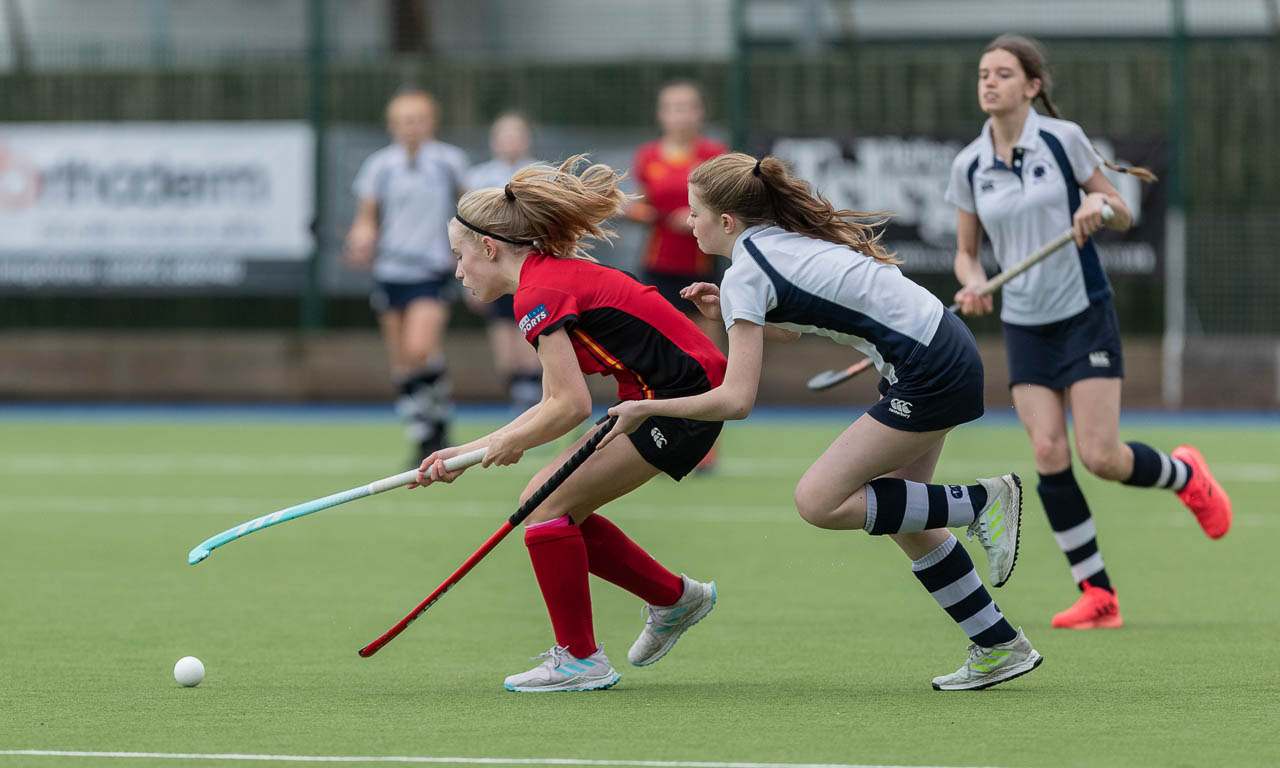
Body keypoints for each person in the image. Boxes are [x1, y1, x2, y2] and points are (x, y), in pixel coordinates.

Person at [603, 152, 1043, 691]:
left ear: (725, 222)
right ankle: (999, 644)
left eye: (694, 212)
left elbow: (736, 401)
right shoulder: (773, 249)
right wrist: (732, 312)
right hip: (940, 352)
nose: (687, 221)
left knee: (819, 500)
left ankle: (982, 502)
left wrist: (648, 407)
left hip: (931, 367)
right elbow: (793, 325)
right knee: (907, 517)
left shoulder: (748, 269)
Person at [946, 34, 1232, 630]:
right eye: (983, 74)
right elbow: (966, 252)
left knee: (1100, 455)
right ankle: (1097, 592)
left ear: (1032, 86)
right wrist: (973, 283)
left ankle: (1186, 476)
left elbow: (1121, 208)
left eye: (1002, 73)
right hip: (1024, 321)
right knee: (1048, 450)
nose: (989, 82)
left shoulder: (1063, 139)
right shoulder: (969, 164)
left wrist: (1098, 209)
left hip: (1082, 312)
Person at [412, 156, 726, 693]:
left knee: (544, 505)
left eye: (460, 257)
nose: (458, 271)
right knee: (552, 505)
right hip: (656, 396)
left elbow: (569, 406)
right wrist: (462, 455)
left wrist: (506, 442)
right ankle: (675, 598)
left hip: (681, 401)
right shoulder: (542, 281)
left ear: (489, 248)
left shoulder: (538, 294)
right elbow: (550, 404)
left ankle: (581, 659)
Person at [346, 86, 467, 467]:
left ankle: (433, 427)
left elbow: (469, 211)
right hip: (390, 272)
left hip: (430, 271)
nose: (409, 127)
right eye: (401, 121)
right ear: (391, 126)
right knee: (404, 363)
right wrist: (362, 238)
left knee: (419, 349)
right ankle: (427, 431)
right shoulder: (379, 166)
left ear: (430, 122)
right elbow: (366, 219)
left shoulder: (450, 161)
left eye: (416, 120)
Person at [627, 79, 729, 470]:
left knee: (708, 360)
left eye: (688, 106)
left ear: (700, 113)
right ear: (661, 114)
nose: (681, 114)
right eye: (673, 107)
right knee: (656, 359)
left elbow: (727, 207)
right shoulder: (647, 156)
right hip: (657, 269)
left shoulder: (714, 155)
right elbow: (641, 206)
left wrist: (694, 220)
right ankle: (651, 437)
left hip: (703, 269)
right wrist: (633, 211)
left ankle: (705, 446)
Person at [463, 112, 543, 415]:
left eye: (516, 135)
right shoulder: (476, 178)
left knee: (531, 344)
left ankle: (535, 410)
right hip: (494, 273)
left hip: (530, 272)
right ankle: (525, 404)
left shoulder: (540, 174)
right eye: (504, 135)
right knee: (506, 354)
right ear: (493, 141)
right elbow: (466, 232)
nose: (510, 142)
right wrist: (468, 279)